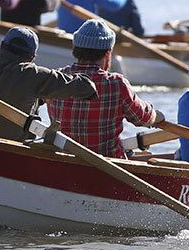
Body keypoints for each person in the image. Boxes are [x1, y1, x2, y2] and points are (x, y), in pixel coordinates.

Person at [47, 19, 164, 158]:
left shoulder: (55, 79)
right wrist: (157, 116)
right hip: (108, 163)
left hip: (65, 160)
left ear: (75, 50)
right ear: (108, 53)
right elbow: (142, 118)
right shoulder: (116, 84)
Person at [0, 27, 97, 141]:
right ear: (31, 57)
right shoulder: (31, 74)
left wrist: (39, 99)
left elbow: (2, 89)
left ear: (1, 46)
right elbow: (87, 88)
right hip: (13, 151)